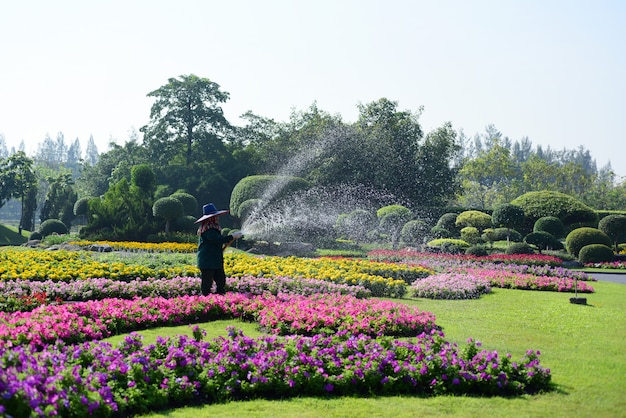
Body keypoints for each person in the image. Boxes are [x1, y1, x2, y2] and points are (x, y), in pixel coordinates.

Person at [195, 203, 243, 295]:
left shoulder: (214, 228)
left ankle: (219, 299)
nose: (217, 218)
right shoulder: (208, 230)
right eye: (215, 216)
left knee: (221, 281)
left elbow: (219, 241)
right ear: (210, 218)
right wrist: (232, 236)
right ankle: (205, 301)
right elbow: (218, 240)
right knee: (207, 283)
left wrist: (232, 237)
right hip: (207, 261)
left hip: (215, 260)